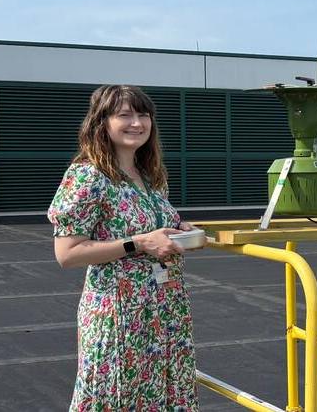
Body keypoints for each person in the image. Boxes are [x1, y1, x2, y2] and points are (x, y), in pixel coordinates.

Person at [48, 85, 199, 411]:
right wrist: (140, 242)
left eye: (142, 114)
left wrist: (179, 230)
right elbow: (67, 254)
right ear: (102, 123)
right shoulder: (89, 175)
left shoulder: (150, 175)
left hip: (166, 312)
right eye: (124, 114)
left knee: (164, 395)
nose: (136, 123)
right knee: (115, 395)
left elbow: (151, 224)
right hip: (119, 315)